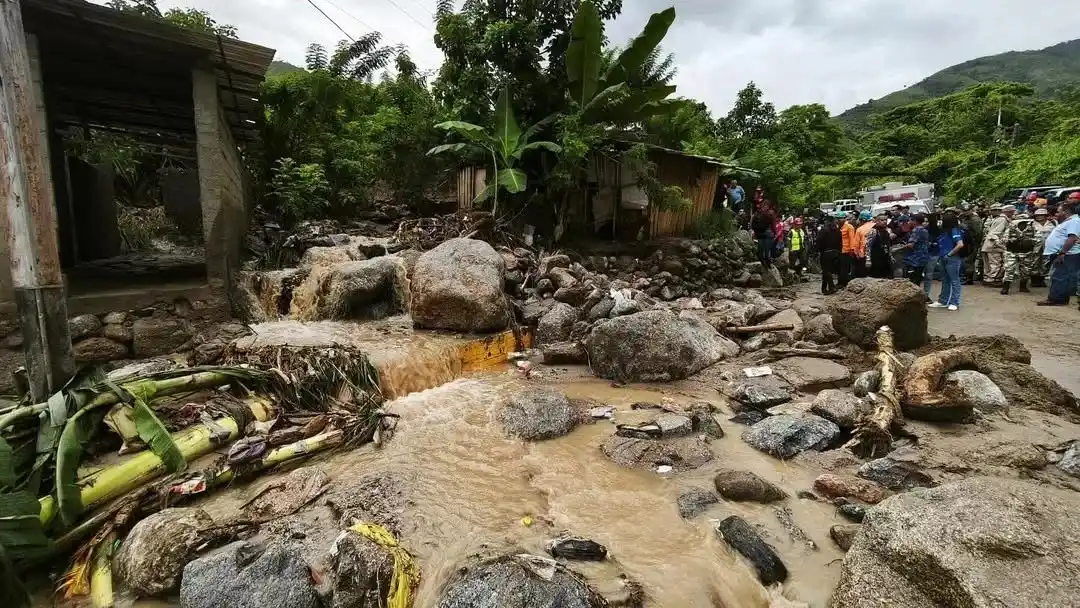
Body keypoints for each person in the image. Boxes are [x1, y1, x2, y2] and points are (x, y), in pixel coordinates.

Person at [1037, 201, 1080, 307]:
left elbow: (1072, 238)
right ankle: (1060, 298)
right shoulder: (1070, 221)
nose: (1057, 214)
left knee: (1059, 276)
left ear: (1066, 212)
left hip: (1067, 254)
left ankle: (1056, 299)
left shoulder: (1074, 221)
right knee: (1061, 276)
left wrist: (1062, 253)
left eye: (1058, 211)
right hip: (1064, 253)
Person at [929, 210, 966, 311]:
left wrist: (949, 254)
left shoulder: (954, 230)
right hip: (943, 257)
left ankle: (954, 302)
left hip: (952, 258)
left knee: (954, 280)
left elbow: (960, 244)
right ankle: (943, 301)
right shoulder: (945, 231)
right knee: (945, 279)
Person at [1000, 213, 1037, 295]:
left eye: (1025, 221)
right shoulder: (1011, 228)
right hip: (1012, 252)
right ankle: (1005, 287)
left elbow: (1039, 239)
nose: (1023, 223)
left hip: (1027, 252)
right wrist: (1010, 240)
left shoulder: (1032, 228)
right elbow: (1003, 240)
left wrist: (1031, 242)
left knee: (1026, 270)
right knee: (1009, 269)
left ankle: (1023, 286)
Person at [981, 205, 1012, 286]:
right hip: (994, 245)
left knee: (989, 263)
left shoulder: (997, 219)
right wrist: (999, 244)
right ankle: (993, 279)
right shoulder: (1002, 220)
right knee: (996, 263)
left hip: (989, 245)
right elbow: (995, 233)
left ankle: (988, 278)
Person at [1030, 207, 1056, 287]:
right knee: (1034, 262)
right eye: (1037, 215)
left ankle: (1041, 279)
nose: (1039, 217)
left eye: (1041, 215)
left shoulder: (1052, 223)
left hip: (1047, 246)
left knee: (1045, 262)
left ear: (1045, 216)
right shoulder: (1031, 223)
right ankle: (1034, 280)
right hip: (1035, 246)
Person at [818, 214, 843, 294]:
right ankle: (824, 288)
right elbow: (841, 242)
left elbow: (819, 240)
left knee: (826, 270)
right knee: (828, 270)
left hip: (826, 252)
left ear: (827, 221)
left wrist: (818, 250)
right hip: (836, 252)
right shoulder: (838, 230)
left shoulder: (824, 230)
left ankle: (831, 287)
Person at [903, 214, 930, 288]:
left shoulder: (916, 230)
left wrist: (899, 248)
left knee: (912, 283)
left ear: (915, 221)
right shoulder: (924, 230)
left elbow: (911, 245)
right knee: (918, 280)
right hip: (922, 258)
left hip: (914, 259)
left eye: (910, 220)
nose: (909, 222)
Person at [751, 201, 776, 267]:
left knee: (761, 249)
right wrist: (775, 233)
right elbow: (773, 226)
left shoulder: (757, 212)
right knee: (767, 249)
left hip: (759, 233)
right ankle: (768, 263)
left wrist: (755, 232)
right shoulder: (771, 213)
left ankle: (762, 262)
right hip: (767, 233)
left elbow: (752, 224)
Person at [839, 212, 858, 287]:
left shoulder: (849, 227)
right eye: (838, 218)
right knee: (839, 267)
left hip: (846, 250)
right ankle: (840, 281)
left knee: (845, 268)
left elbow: (852, 239)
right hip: (838, 250)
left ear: (845, 219)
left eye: (841, 218)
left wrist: (852, 250)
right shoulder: (837, 226)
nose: (839, 220)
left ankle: (844, 282)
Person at [854, 210, 875, 278]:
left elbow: (856, 245)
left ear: (861, 220)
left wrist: (857, 255)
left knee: (863, 276)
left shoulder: (860, 229)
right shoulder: (875, 226)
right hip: (875, 254)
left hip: (863, 255)